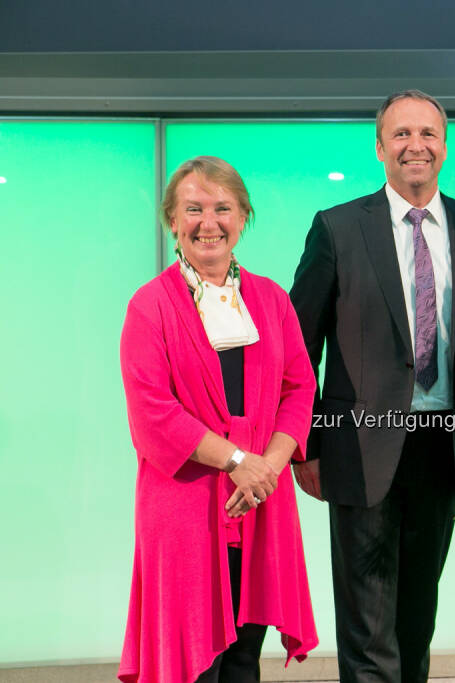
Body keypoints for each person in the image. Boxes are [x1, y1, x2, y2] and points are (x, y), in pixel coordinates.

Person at [289, 90, 455, 683]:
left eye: (428, 134)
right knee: (367, 626)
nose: (416, 145)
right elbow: (299, 344)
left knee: (417, 618)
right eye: (402, 134)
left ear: (444, 146)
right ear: (380, 147)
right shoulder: (336, 228)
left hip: (442, 445)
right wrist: (305, 443)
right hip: (356, 447)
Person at [118, 156, 318, 683]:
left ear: (243, 217)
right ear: (172, 221)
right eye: (194, 209)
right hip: (185, 507)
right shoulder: (149, 306)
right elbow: (152, 412)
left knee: (244, 661)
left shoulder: (271, 299)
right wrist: (235, 460)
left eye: (223, 208)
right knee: (193, 666)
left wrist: (266, 467)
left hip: (257, 501)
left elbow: (299, 388)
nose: (209, 222)